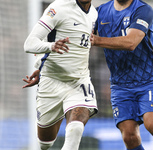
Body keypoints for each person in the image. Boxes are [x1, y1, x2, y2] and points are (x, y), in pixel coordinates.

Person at [90, 0, 153, 150]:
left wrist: (96, 40)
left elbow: (131, 42)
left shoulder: (142, 9)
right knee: (129, 136)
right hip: (120, 84)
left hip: (148, 79)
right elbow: (79, 34)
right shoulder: (99, 12)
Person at [23, 0, 98, 149]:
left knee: (76, 128)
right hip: (51, 80)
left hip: (79, 80)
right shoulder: (58, 8)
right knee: (45, 144)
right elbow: (29, 44)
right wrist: (50, 48)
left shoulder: (94, 14)